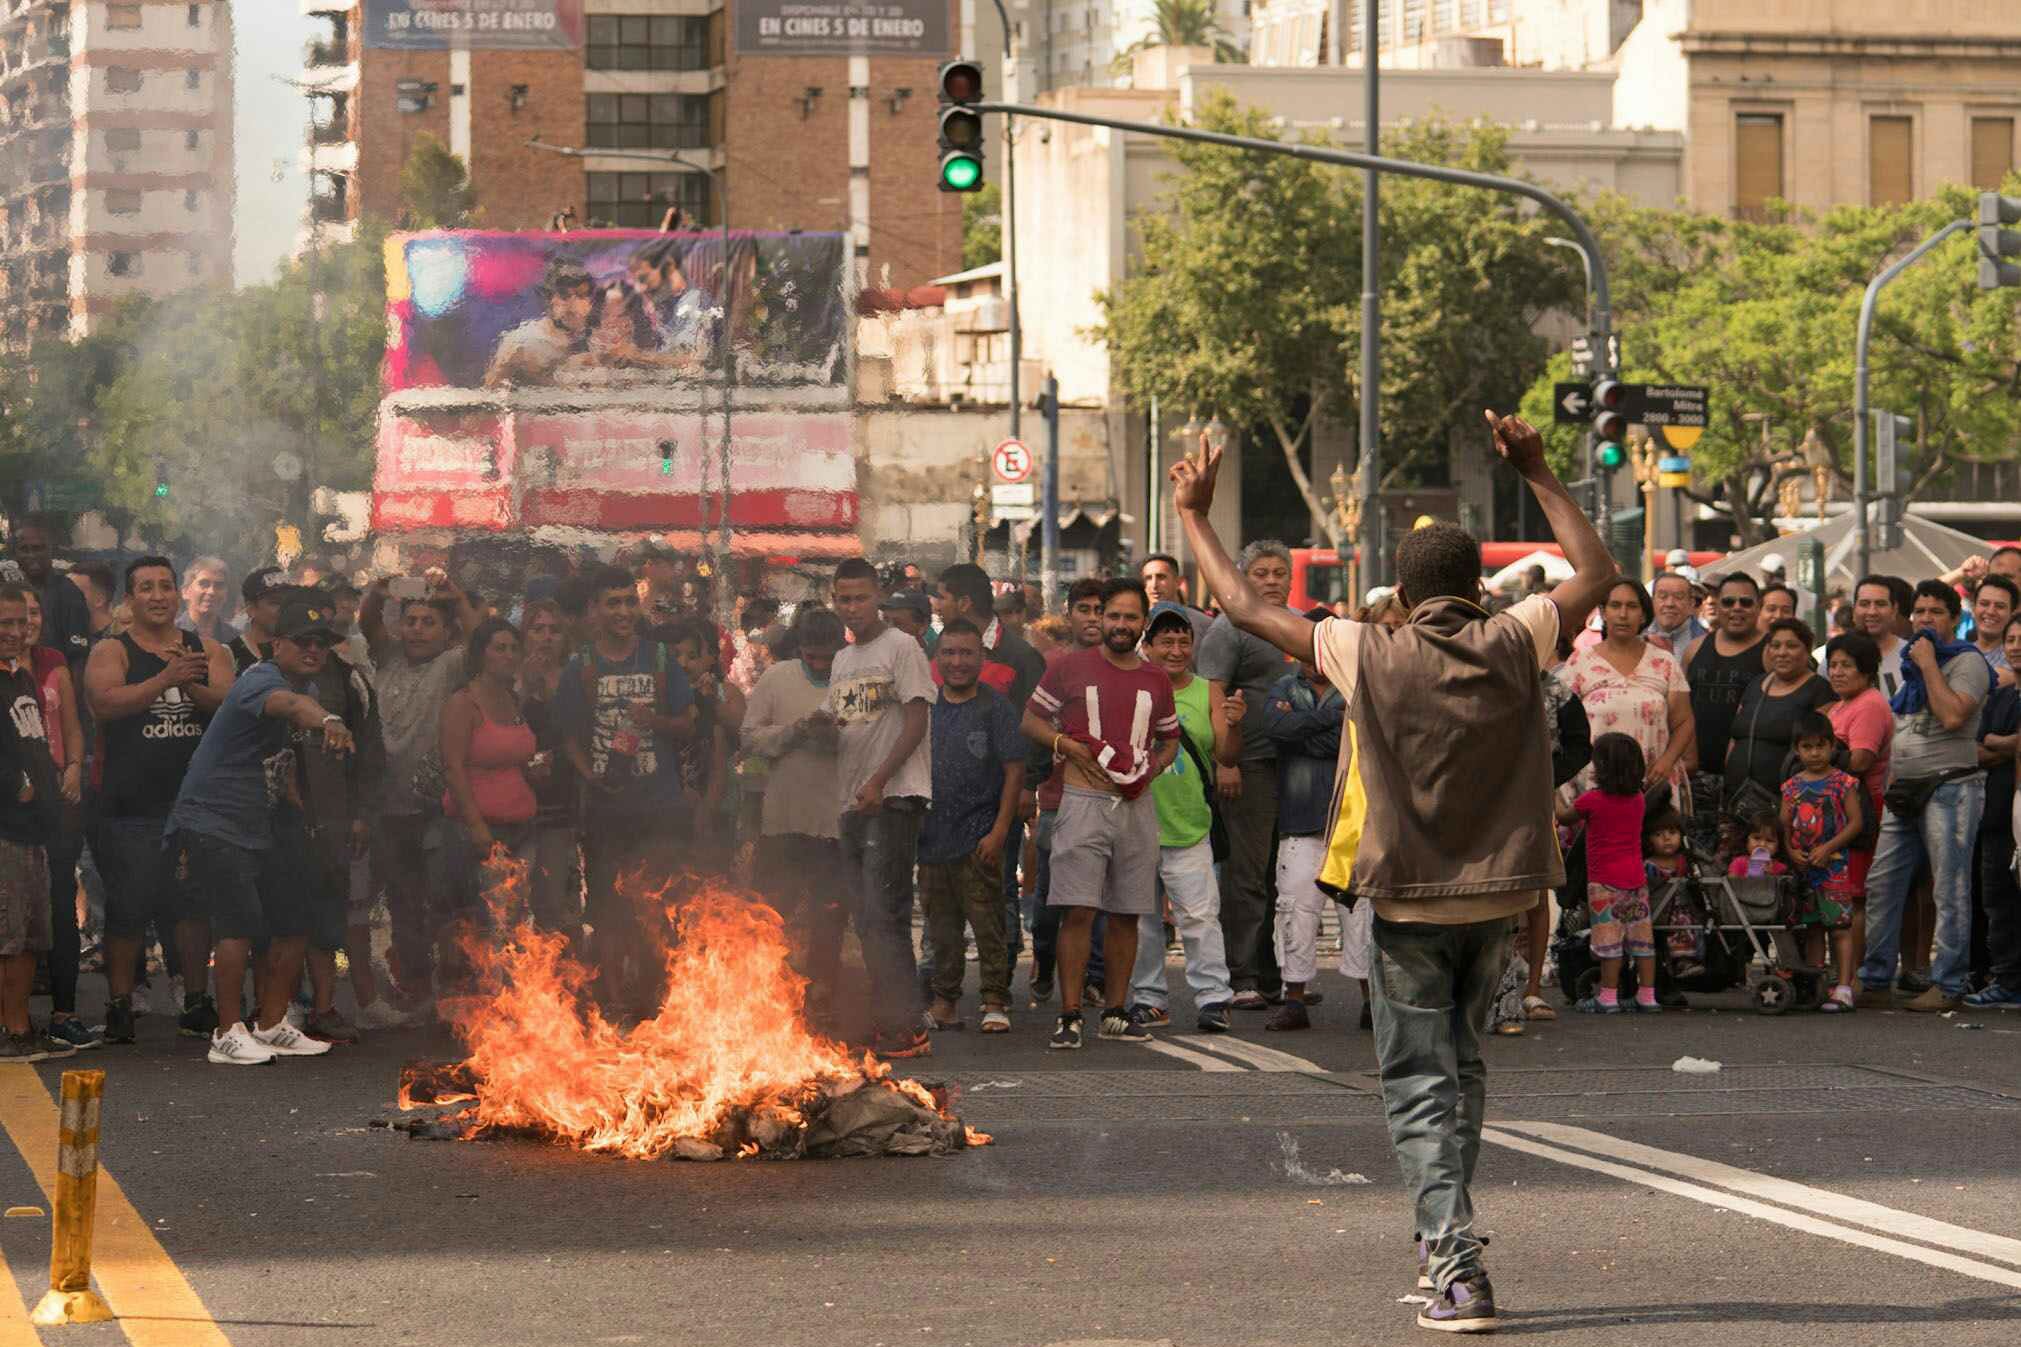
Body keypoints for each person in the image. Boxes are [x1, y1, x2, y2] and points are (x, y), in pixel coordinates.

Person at [1173, 407, 1613, 1330]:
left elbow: (1245, 608)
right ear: (1475, 587)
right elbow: (1598, 572)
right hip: (1501, 895)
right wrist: (1534, 470)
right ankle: (1441, 1230)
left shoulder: (1365, 648)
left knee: (1416, 1079)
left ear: (1405, 598)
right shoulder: (1517, 636)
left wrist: (1194, 514)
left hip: (1409, 900)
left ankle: (1453, 1261)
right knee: (1461, 1063)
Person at [166, 596, 354, 1065]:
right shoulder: (262, 679)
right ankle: (226, 1034)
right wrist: (329, 719)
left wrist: (296, 806)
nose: (314, 650)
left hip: (258, 824)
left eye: (322, 644)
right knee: (237, 927)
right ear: (277, 644)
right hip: (213, 820)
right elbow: (290, 706)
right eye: (303, 642)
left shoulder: (298, 682)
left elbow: (276, 757)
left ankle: (271, 1024)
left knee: (294, 921)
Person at [1021, 577, 1179, 1050]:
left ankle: (1114, 1011)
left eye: (1132, 618)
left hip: (1137, 805)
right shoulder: (1069, 667)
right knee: (1079, 912)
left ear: (1143, 625)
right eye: (1113, 616)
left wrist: (1154, 765)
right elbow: (1029, 720)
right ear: (1099, 619)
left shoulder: (1155, 677)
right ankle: (1069, 1016)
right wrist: (1064, 744)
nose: (1120, 625)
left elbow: (1170, 739)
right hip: (1082, 802)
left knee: (1128, 912)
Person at [84, 557, 234, 1044]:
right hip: (131, 805)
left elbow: (228, 707)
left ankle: (195, 1000)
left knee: (193, 907)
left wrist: (188, 680)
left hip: (194, 804)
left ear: (177, 595)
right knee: (128, 908)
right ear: (131, 598)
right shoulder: (113, 649)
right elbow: (104, 703)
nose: (157, 596)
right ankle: (120, 1005)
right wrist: (164, 679)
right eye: (145, 588)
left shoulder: (209, 649)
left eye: (165, 587)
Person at [557, 566, 697, 1015]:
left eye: (628, 602)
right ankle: (613, 996)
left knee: (656, 906)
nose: (622, 611)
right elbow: (568, 735)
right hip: (606, 806)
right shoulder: (582, 664)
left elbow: (689, 722)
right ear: (596, 609)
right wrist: (589, 774)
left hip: (658, 805)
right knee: (607, 908)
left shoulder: (659, 659)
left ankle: (653, 996)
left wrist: (653, 721)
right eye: (612, 603)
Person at [1858, 579, 1991, 1013]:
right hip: (1906, 789)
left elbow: (1953, 715)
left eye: (1936, 612)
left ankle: (1948, 983)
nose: (1925, 620)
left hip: (1950, 786)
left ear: (1955, 618)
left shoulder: (1965, 662)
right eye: (1919, 612)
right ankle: (1875, 979)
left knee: (1949, 889)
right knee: (1883, 884)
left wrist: (1930, 662)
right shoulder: (1912, 664)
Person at [827, 558, 935, 1058]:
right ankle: (890, 1017)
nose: (852, 608)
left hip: (892, 799)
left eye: (860, 598)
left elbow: (916, 723)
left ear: (878, 597)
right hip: (853, 802)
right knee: (866, 918)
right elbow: (851, 727)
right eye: (843, 599)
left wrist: (878, 780)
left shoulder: (903, 647)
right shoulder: (842, 660)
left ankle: (906, 1025)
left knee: (883, 914)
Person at [359, 573, 481, 1010]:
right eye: (410, 621)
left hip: (436, 808)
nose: (416, 629)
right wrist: (377, 592)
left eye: (428, 622)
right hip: (388, 810)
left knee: (444, 898)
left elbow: (481, 641)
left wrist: (458, 597)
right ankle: (415, 986)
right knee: (403, 903)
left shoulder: (450, 665)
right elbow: (369, 622)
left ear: (446, 633)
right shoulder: (388, 657)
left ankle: (456, 985)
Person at [1127, 601, 1236, 1034]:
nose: (1175, 649)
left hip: (1190, 824)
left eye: (1183, 641)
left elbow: (1226, 754)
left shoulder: (1209, 689)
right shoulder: (1132, 687)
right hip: (1138, 822)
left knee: (1199, 916)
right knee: (1142, 921)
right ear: (1147, 646)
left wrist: (1236, 725)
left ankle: (1213, 998)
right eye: (1165, 641)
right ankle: (1150, 999)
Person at [1196, 539, 1297, 1009]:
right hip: (1248, 764)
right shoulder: (1229, 628)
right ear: (1241, 579)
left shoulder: (1296, 623)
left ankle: (1278, 975)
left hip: (1296, 765)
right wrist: (1225, 761)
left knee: (1286, 876)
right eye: (1262, 573)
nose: (1272, 581)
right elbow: (1212, 693)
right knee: (1248, 874)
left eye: (1279, 572)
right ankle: (1242, 977)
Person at [917, 619, 1025, 1034]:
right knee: (940, 928)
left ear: (981, 658)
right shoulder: (925, 704)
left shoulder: (996, 707)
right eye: (949, 653)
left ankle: (995, 1000)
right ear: (937, 658)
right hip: (931, 837)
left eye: (966, 653)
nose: (957, 662)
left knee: (988, 924)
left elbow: (1014, 772)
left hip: (980, 834)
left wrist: (999, 831)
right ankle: (945, 1003)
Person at [742, 607, 847, 1020]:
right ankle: (767, 990)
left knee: (831, 914)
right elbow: (750, 738)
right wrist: (796, 730)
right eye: (813, 657)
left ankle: (824, 990)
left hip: (834, 820)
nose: (821, 665)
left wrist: (837, 735)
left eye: (828, 657)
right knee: (771, 912)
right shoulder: (777, 678)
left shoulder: (852, 680)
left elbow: (873, 743)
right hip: (783, 819)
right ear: (799, 649)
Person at [1262, 610, 1346, 1033]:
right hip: (1299, 822)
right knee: (1294, 911)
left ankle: (1372, 1002)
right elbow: (1275, 727)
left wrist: (1303, 729)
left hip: (1350, 824)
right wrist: (1334, 720)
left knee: (1362, 917)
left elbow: (1353, 737)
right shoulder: (1281, 687)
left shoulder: (1356, 685)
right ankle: (1293, 999)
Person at [0, 584, 71, 1062]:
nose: (16, 631)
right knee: (6, 936)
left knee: (28, 936)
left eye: (21, 621)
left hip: (34, 828)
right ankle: (9, 1031)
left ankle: (21, 1028)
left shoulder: (22, 676)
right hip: (4, 828)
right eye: (4, 623)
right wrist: (17, 785)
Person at [20, 588, 91, 1049]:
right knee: (14, 912)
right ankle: (15, 1015)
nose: (23, 622)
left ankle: (64, 1013)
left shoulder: (53, 663)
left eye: (32, 612)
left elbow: (72, 727)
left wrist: (74, 769)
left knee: (61, 906)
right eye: (13, 615)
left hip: (58, 803)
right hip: (13, 805)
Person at [1558, 579, 1694, 802]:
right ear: (1603, 611)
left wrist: (1666, 762)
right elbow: (1560, 726)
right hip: (1595, 786)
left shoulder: (1664, 662)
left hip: (1653, 782)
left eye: (1632, 606)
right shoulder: (1580, 662)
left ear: (1643, 614)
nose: (1623, 614)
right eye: (1615, 605)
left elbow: (1684, 723)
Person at [441, 618, 540, 904]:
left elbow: (511, 755)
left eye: (513, 648)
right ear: (480, 654)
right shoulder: (463, 703)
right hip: (481, 832)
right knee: (485, 928)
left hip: (522, 829)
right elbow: (453, 767)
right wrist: (476, 826)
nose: (508, 655)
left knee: (515, 924)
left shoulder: (511, 698)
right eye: (499, 648)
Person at [1560, 734, 1656, 1015]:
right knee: (1642, 940)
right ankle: (1647, 996)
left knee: (1609, 943)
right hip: (1636, 881)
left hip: (1603, 884)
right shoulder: (1639, 799)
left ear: (1601, 767)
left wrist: (1553, 791)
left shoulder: (1592, 801)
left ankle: (1608, 996)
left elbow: (1564, 816)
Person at [1824, 630, 1892, 1005]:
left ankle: (1853, 978)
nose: (1837, 672)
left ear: (1866, 670)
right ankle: (1841, 976)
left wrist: (1823, 756)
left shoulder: (1868, 704)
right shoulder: (1839, 705)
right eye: (1832, 664)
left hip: (1861, 810)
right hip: (1833, 813)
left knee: (1855, 898)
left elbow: (1861, 761)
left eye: (1846, 665)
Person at [1782, 712, 1865, 1014]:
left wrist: (1828, 847)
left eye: (1820, 746)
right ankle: (1816, 984)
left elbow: (1856, 823)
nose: (1814, 753)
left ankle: (1843, 987)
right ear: (1797, 750)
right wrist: (1791, 851)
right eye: (1807, 747)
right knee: (1813, 926)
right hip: (1804, 869)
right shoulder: (1791, 787)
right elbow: (1785, 825)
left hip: (1834, 866)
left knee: (1840, 926)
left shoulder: (1843, 783)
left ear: (1832, 746)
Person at [514, 600, 580, 940]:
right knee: (513, 901)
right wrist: (527, 686)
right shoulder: (511, 676)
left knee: (558, 902)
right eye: (538, 629)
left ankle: (563, 978)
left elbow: (579, 731)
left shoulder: (577, 675)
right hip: (515, 804)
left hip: (563, 803)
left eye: (554, 630)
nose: (546, 637)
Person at [1966, 618, 2021, 1010]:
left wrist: (1998, 742)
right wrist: (2008, 743)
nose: (2016, 646)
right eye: (2011, 639)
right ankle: (2007, 979)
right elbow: (1978, 747)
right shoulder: (1999, 696)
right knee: (1999, 900)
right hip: (1997, 813)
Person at [1724, 618, 1835, 801]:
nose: (1782, 653)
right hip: (1738, 797)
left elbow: (1821, 749)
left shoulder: (1820, 690)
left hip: (1788, 801)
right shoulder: (1755, 684)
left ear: (1807, 651)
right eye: (1775, 646)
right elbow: (1735, 739)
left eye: (1791, 646)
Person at [669, 616, 741, 866]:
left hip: (719, 805)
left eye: (692, 655)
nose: (683, 663)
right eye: (676, 655)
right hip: (674, 807)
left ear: (711, 657)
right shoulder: (663, 694)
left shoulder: (727, 693)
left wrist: (710, 702)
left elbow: (739, 733)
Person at [1682, 572, 1769, 780]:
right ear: (1717, 606)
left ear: (1758, 607)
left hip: (1751, 776)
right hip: (1696, 774)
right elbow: (1680, 710)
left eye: (1746, 602)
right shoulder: (1695, 648)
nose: (1736, 608)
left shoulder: (1773, 651)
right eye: (1728, 602)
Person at [485, 257, 596, 387]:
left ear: (590, 303)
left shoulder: (596, 341)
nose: (573, 305)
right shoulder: (521, 343)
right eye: (564, 295)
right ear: (550, 300)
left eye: (581, 296)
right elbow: (491, 393)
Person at [1850, 575, 1909, 699]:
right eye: (1864, 604)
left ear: (1894, 610)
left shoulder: (1912, 656)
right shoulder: (1833, 657)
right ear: (1854, 609)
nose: (1872, 612)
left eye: (1881, 604)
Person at [1140, 553, 1213, 647]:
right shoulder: (1135, 622)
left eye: (1161, 577)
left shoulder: (1204, 624)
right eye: (1148, 578)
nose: (1154, 585)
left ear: (1178, 582)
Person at [227, 567, 292, 673]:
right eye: (275, 602)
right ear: (251, 608)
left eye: (289, 602)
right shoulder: (228, 654)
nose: (284, 609)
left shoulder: (300, 651)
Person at [1645, 571, 1705, 653]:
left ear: (1691, 604)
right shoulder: (1637, 636)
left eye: (1678, 597)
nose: (1670, 603)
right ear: (1652, 601)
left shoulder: (1706, 643)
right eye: (1663, 596)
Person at [1971, 575, 2017, 680]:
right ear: (1974, 608)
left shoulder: (2016, 656)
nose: (1991, 611)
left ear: (2012, 615)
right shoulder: (1959, 650)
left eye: (2000, 606)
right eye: (1984, 604)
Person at [178, 556, 231, 644]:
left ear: (226, 594)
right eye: (204, 584)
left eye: (219, 586)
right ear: (185, 592)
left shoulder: (236, 639)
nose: (211, 592)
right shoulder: (168, 635)